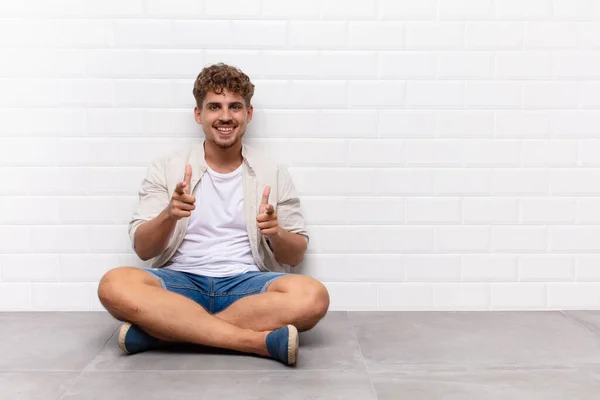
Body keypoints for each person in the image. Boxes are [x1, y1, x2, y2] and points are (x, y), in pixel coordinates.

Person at [97, 63, 330, 366]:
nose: (224, 116)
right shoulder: (166, 168)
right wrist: (169, 214)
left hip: (247, 286)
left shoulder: (272, 171)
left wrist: (276, 233)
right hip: (180, 283)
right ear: (199, 115)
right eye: (214, 107)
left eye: (235, 106)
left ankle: (166, 331)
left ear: (248, 113)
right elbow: (143, 249)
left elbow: (296, 255)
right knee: (113, 284)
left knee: (313, 296)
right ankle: (254, 342)